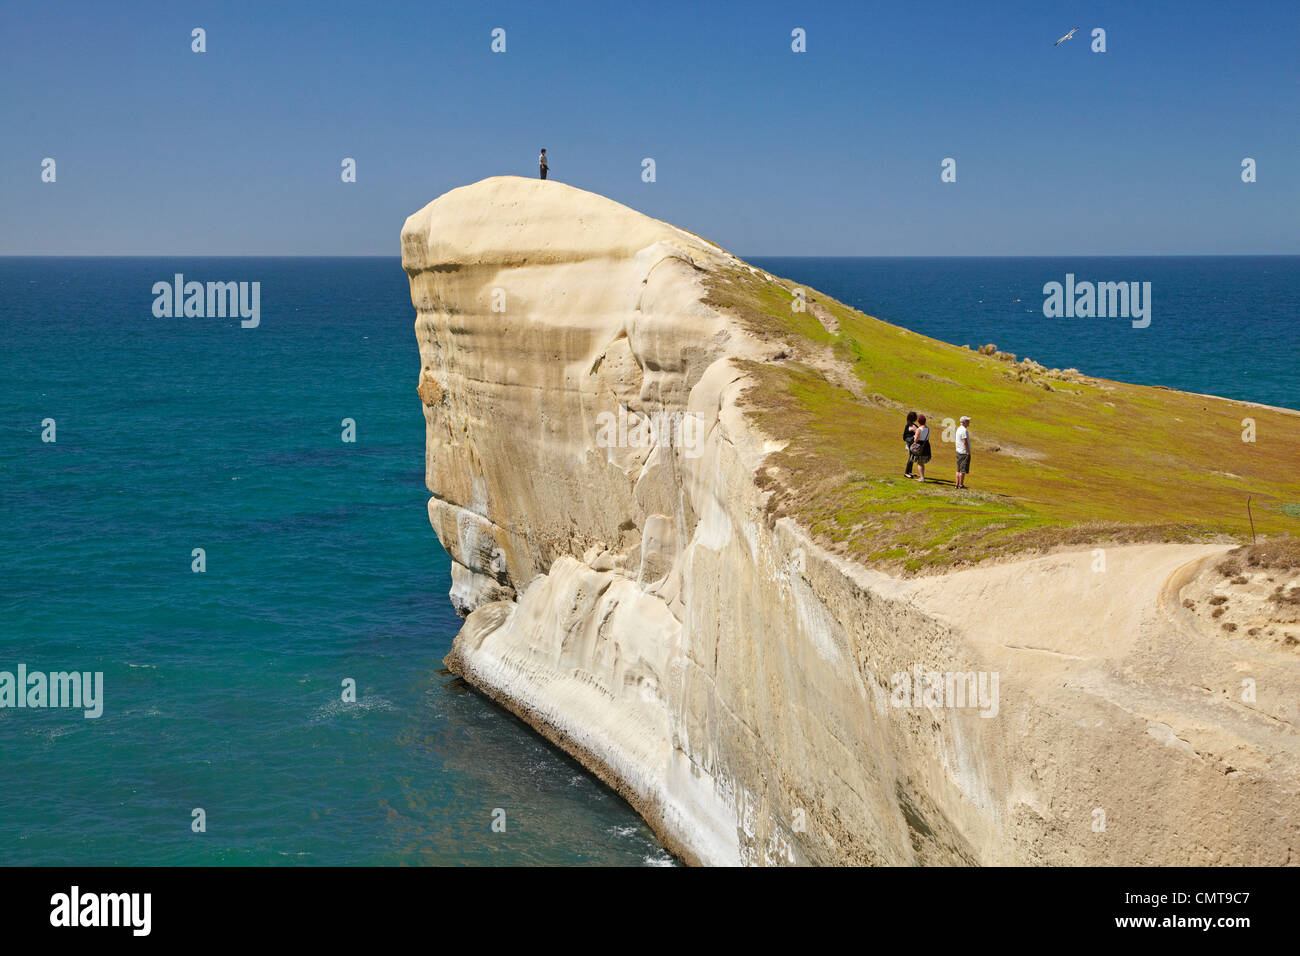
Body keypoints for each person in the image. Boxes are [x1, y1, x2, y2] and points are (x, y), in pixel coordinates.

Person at [911, 414, 932, 481]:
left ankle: (922, 477)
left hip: (920, 446)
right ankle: (922, 477)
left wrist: (914, 436)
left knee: (920, 463)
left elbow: (915, 440)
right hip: (926, 445)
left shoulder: (919, 429)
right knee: (922, 463)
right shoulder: (928, 429)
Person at [955, 415, 971, 489]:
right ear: (964, 422)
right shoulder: (964, 430)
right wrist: (968, 451)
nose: (969, 422)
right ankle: (961, 485)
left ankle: (957, 484)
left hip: (958, 451)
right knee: (963, 470)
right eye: (967, 421)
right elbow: (965, 442)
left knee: (958, 469)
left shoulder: (959, 429)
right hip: (963, 452)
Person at [903, 411, 918, 478]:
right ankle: (906, 472)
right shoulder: (909, 425)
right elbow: (905, 436)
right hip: (910, 442)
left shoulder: (911, 425)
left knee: (912, 456)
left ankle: (909, 471)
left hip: (911, 442)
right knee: (911, 456)